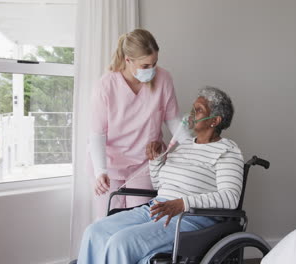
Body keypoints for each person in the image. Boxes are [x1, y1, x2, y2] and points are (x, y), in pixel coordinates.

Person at [78, 87, 244, 263]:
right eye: (193, 108)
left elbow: (230, 198)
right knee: (94, 232)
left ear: (215, 121)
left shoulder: (227, 151)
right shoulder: (185, 146)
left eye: (199, 110)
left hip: (190, 218)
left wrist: (183, 204)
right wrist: (155, 160)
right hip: (158, 208)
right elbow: (160, 186)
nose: (191, 114)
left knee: (121, 243)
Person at [88, 29, 190, 218]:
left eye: (154, 63)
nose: (151, 70)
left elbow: (174, 121)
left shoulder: (164, 79)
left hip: (144, 164)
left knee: (140, 219)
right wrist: (100, 171)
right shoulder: (105, 86)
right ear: (128, 60)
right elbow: (97, 134)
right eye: (145, 65)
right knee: (108, 221)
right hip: (110, 165)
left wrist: (195, 150)